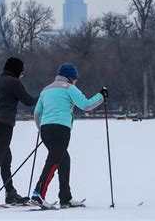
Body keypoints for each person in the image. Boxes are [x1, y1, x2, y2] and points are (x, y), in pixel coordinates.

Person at [31, 63, 108, 209]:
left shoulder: (46, 90)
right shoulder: (70, 88)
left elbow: (37, 114)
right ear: (70, 78)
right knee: (54, 160)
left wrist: (42, 129)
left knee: (63, 159)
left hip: (46, 129)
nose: (75, 82)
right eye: (75, 79)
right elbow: (86, 105)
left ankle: (65, 198)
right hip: (61, 129)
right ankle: (38, 193)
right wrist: (101, 96)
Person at [0, 57, 38, 206]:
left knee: (5, 157)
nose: (21, 76)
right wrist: (43, 96)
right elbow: (29, 101)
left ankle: (10, 193)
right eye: (22, 73)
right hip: (4, 125)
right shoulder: (14, 83)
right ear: (16, 71)